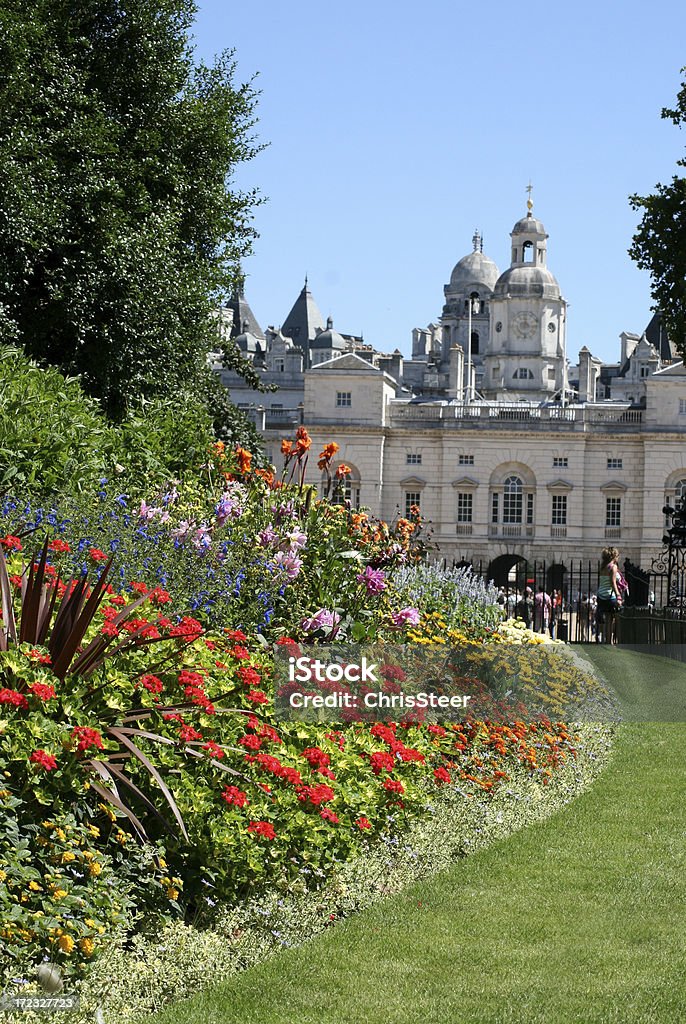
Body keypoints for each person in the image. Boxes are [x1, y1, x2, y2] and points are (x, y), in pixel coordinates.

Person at [596, 547, 623, 643]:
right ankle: (614, 641)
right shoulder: (613, 567)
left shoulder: (603, 567)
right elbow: (612, 582)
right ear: (614, 556)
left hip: (601, 595)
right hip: (609, 596)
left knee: (607, 619)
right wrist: (618, 595)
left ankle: (607, 641)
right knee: (617, 619)